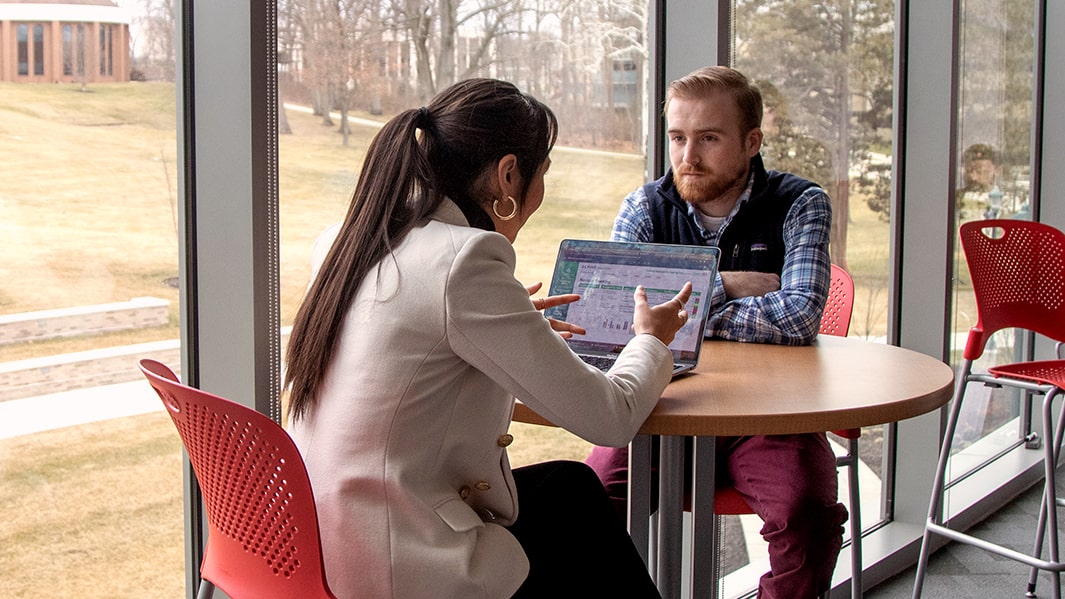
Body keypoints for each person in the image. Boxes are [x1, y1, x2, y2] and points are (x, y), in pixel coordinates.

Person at [283, 78, 694, 599]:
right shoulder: (463, 262)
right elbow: (610, 417)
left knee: (570, 489)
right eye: (541, 174)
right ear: (507, 174)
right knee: (579, 521)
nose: (540, 192)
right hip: (398, 563)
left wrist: (507, 329)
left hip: (314, 540)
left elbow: (411, 349)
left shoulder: (350, 240)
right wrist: (651, 341)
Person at [585, 66, 848, 598]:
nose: (688, 156)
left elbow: (798, 318)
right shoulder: (644, 208)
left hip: (774, 415)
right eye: (678, 138)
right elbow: (611, 323)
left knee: (809, 519)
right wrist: (724, 284)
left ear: (751, 142)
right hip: (660, 410)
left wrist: (674, 311)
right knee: (582, 508)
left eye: (709, 138)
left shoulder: (801, 203)